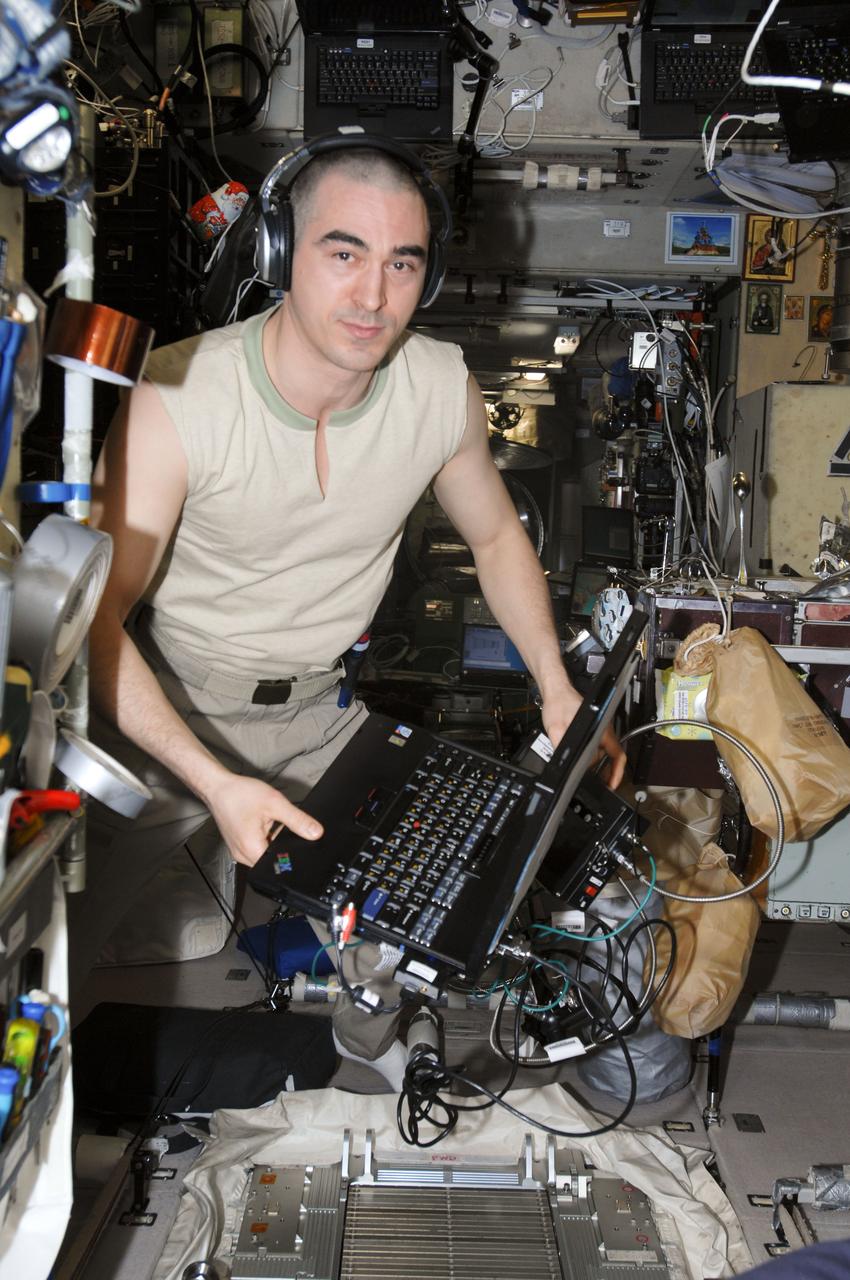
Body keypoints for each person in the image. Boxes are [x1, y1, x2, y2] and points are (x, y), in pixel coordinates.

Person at [74, 138, 625, 1087]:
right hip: (168, 709)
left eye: (402, 262)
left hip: (321, 714)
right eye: (343, 252)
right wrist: (215, 782)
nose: (374, 295)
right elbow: (96, 622)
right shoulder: (178, 394)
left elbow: (496, 540)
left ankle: (360, 1093)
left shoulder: (439, 388)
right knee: (50, 943)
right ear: (282, 252)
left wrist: (554, 687)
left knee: (413, 913)